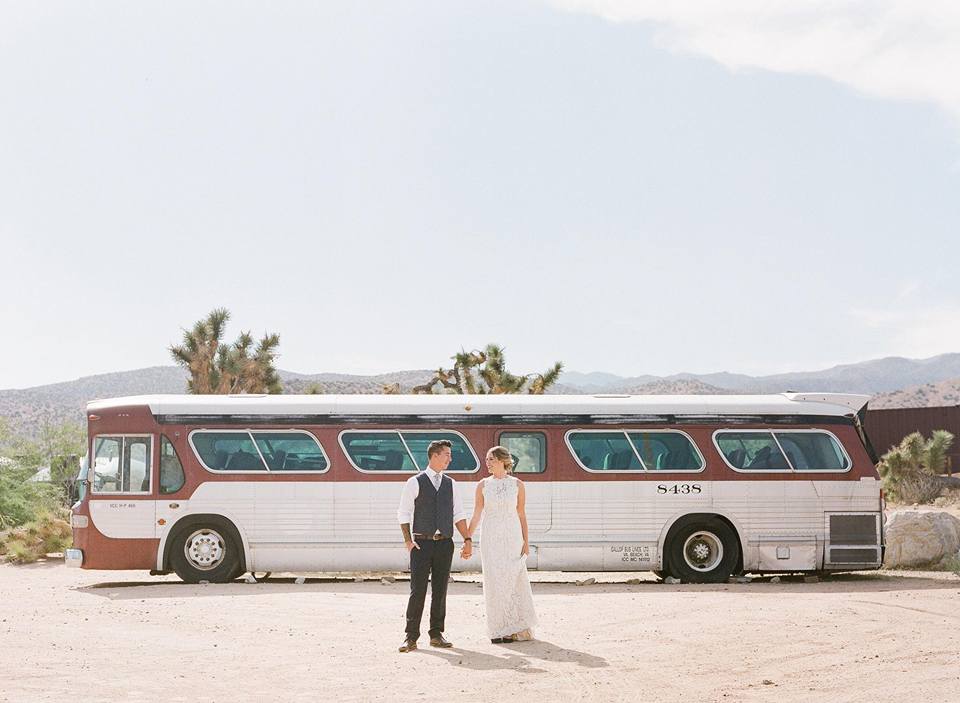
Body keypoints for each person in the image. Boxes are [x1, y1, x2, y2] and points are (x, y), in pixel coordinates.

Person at [396, 439, 473, 652]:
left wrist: (467, 539)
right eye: (447, 454)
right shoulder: (415, 482)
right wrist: (408, 541)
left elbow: (458, 514)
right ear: (435, 455)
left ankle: (436, 634)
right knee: (417, 591)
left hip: (444, 544)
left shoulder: (451, 484)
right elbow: (403, 513)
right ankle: (410, 637)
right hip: (421, 544)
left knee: (440, 590)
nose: (450, 458)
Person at [465, 446, 538, 643]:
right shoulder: (482, 485)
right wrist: (467, 538)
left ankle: (514, 628)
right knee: (495, 582)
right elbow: (477, 513)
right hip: (490, 538)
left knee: (513, 580)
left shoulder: (517, 484)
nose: (487, 462)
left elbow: (521, 514)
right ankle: (498, 629)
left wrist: (526, 541)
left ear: (502, 461)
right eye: (487, 459)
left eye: (491, 459)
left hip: (513, 537)